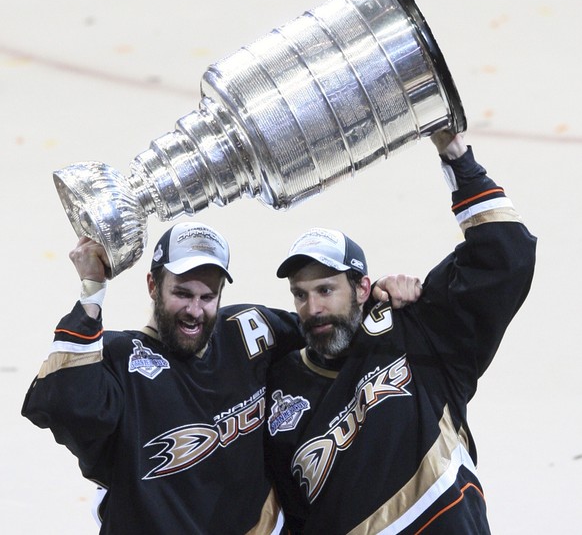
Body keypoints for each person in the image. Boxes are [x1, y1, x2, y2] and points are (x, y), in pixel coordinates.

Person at [21, 221, 420, 534]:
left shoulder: (247, 330)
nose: (195, 310)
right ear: (152, 286)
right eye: (182, 293)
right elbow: (65, 403)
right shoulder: (119, 357)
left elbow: (327, 332)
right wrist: (92, 291)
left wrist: (374, 298)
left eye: (207, 296)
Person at [264, 132, 537, 534]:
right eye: (300, 295)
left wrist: (456, 156)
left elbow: (506, 254)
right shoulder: (280, 388)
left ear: (361, 288)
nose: (313, 307)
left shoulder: (414, 328)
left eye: (326, 290)